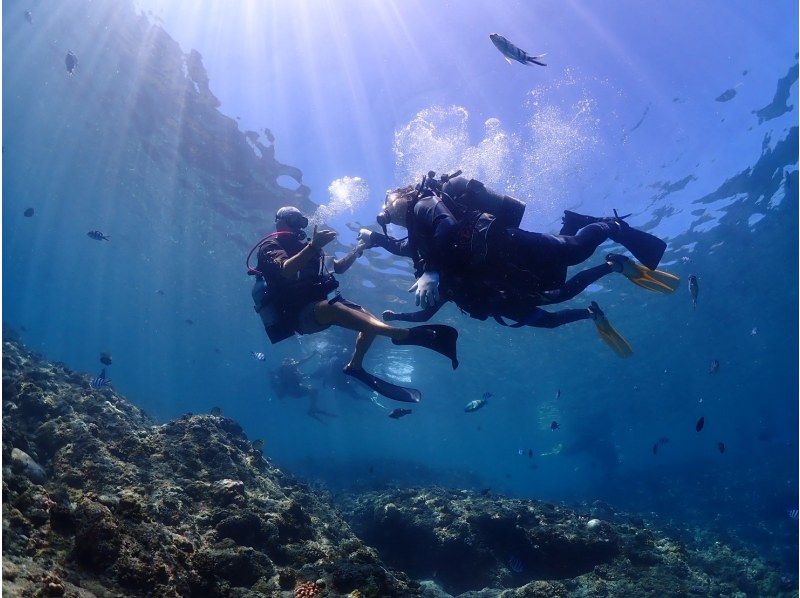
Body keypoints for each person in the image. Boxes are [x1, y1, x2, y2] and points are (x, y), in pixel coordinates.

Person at [358, 172, 679, 357]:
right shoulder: (419, 238)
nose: (386, 210)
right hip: (501, 271)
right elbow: (405, 247)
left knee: (574, 252)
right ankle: (580, 230)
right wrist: (376, 240)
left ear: (403, 195)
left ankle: (610, 226)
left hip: (506, 243)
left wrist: (431, 271)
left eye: (387, 201)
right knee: (556, 284)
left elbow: (449, 227)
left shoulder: (424, 204)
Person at [248, 206, 459, 402]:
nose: (299, 225)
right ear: (279, 222)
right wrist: (314, 245)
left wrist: (357, 250)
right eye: (294, 220)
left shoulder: (307, 248)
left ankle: (355, 366)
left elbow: (337, 267)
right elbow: (286, 270)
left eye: (301, 221)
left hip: (320, 305)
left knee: (368, 318)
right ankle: (402, 334)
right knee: (334, 309)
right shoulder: (270, 245)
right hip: (297, 315)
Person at [271, 354, 336, 422]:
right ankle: (313, 408)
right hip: (296, 390)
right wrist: (313, 354)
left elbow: (293, 378)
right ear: (289, 362)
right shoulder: (289, 366)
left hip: (291, 392)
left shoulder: (281, 371)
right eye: (292, 362)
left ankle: (313, 408)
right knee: (314, 391)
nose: (294, 363)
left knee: (312, 390)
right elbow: (303, 361)